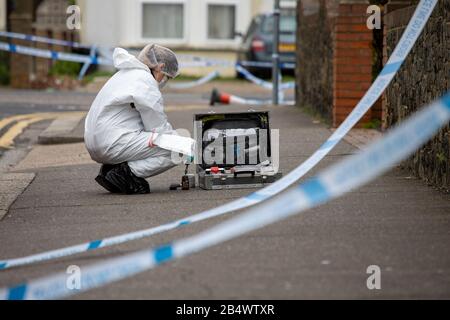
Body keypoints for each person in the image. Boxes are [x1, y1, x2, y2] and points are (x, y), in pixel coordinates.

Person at [84, 44, 194, 194]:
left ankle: (112, 169)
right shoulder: (146, 82)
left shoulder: (125, 75)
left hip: (99, 142)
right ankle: (124, 174)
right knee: (181, 148)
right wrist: (186, 144)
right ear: (160, 67)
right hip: (112, 143)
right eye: (166, 76)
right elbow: (158, 128)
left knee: (171, 141)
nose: (164, 81)